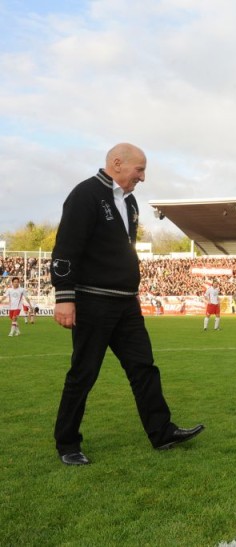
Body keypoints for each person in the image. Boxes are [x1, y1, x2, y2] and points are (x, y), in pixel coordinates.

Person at [50, 143, 205, 466]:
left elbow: (123, 251)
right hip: (92, 300)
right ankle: (67, 443)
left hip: (125, 303)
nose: (143, 177)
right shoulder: (85, 195)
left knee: (143, 367)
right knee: (84, 373)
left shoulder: (131, 202)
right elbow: (66, 246)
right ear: (117, 163)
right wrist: (64, 296)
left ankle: (161, 432)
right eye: (140, 169)